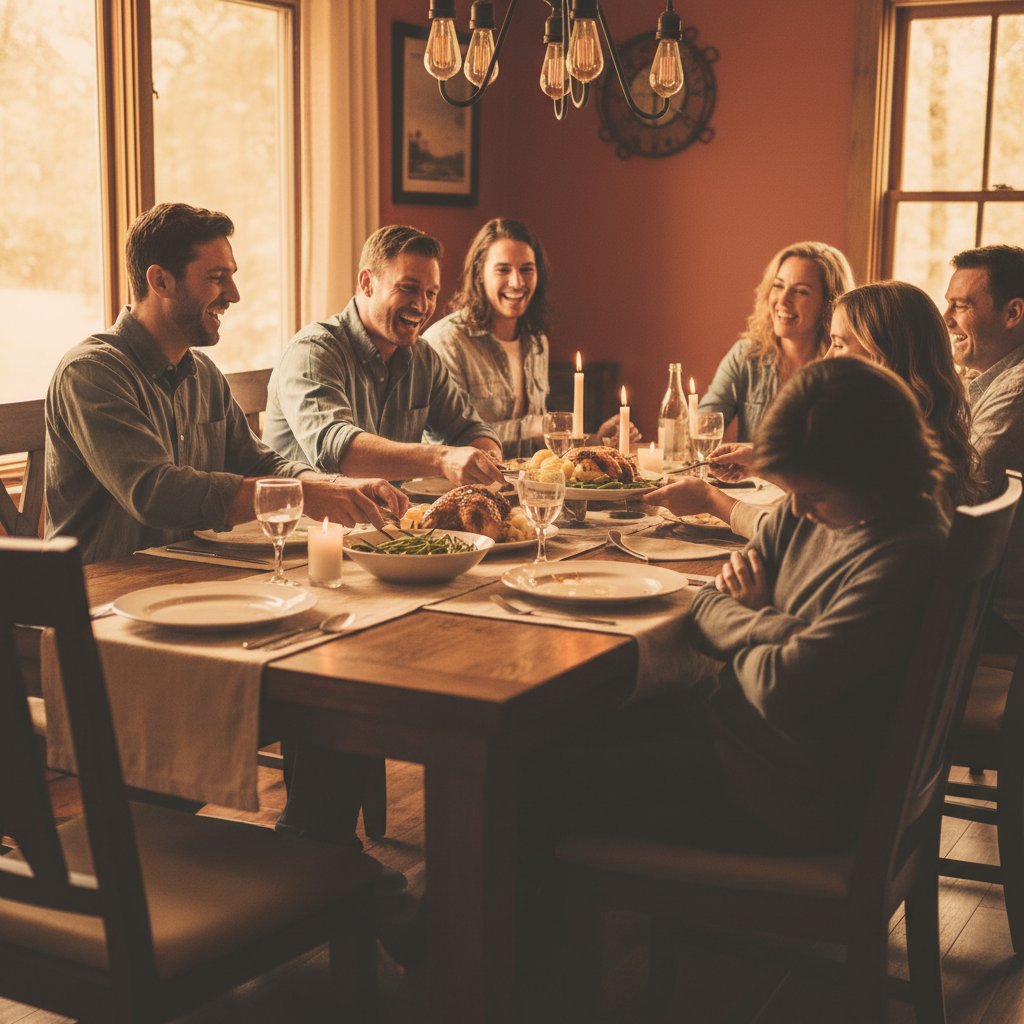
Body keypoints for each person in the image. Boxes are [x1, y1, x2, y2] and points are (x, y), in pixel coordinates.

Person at [525, 359, 949, 879]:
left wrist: (756, 614)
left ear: (878, 468)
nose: (799, 509)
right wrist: (780, 628)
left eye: (814, 496)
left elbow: (779, 686)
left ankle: (458, 949)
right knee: (561, 734)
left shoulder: (908, 552)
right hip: (743, 745)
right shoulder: (805, 506)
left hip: (787, 796)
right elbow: (703, 609)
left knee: (534, 779)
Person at [45, 203, 406, 564]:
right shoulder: (91, 372)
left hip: (190, 577)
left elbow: (258, 463)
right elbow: (155, 493)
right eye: (217, 277)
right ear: (160, 281)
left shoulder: (203, 373)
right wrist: (300, 493)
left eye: (231, 276)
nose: (234, 295)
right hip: (100, 597)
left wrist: (334, 485)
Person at [650, 280, 986, 537]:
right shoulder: (924, 432)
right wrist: (766, 467)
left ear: (882, 357)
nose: (826, 359)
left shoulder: (887, 454)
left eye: (839, 344)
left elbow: (798, 539)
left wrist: (711, 501)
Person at [264, 224, 505, 487]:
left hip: (388, 521)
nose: (422, 306)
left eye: (430, 293)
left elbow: (469, 428)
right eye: (408, 288)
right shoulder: (313, 351)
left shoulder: (423, 356)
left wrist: (487, 458)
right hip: (302, 524)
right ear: (367, 283)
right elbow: (338, 451)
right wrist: (442, 459)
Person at [422, 217, 640, 457]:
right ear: (479, 274)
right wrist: (535, 426)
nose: (517, 282)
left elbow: (541, 445)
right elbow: (446, 440)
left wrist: (594, 440)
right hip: (463, 489)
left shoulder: (536, 341)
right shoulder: (447, 341)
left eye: (527, 269)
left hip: (526, 486)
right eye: (503, 270)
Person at [943, 244, 1024, 645]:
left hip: (995, 609)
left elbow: (963, 488)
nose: (946, 319)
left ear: (1013, 313)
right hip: (978, 589)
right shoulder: (982, 379)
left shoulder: (1018, 390)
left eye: (961, 306)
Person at [697, 240, 855, 441]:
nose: (782, 300)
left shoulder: (844, 367)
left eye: (800, 291)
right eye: (778, 286)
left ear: (830, 302)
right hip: (750, 475)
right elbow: (707, 421)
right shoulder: (745, 355)